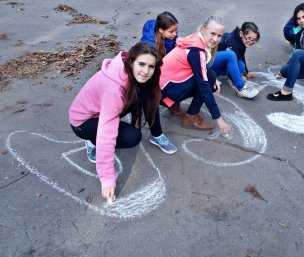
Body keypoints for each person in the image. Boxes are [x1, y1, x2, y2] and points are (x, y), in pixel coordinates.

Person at [69, 43, 161, 203]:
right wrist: (107, 179)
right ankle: (91, 141)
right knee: (132, 137)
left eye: (151, 66)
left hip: (97, 113)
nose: (146, 71)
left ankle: (95, 134)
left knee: (139, 100)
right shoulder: (114, 90)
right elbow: (106, 134)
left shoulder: (128, 73)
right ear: (131, 61)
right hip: (83, 122)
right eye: (141, 64)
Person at [160, 16, 232, 134]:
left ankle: (174, 106)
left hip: (162, 89)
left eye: (219, 36)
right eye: (212, 33)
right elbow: (203, 85)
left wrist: (213, 79)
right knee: (209, 81)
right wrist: (218, 119)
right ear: (203, 29)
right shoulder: (196, 51)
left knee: (210, 77)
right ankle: (190, 117)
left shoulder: (195, 38)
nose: (215, 39)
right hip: (164, 93)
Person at [140, 11, 179, 153]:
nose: (175, 34)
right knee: (151, 97)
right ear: (160, 30)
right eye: (171, 31)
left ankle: (168, 102)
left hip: (157, 70)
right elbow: (146, 72)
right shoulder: (149, 47)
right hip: (143, 77)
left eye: (176, 30)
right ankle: (156, 135)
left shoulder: (166, 35)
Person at [210, 22, 261, 99]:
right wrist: (238, 80)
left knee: (241, 66)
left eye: (254, 40)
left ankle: (233, 79)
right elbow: (232, 57)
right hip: (207, 64)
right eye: (249, 38)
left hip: (215, 62)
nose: (250, 42)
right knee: (231, 55)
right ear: (241, 33)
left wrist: (246, 72)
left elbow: (241, 55)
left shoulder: (240, 39)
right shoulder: (232, 42)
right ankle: (240, 88)